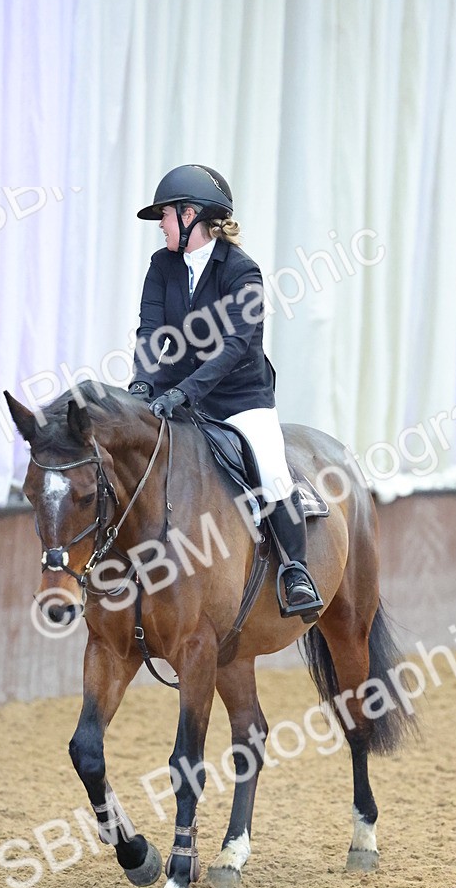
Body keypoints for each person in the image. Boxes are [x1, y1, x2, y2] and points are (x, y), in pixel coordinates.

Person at [129, 163, 322, 619]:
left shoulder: (242, 271)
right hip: (175, 390)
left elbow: (235, 347)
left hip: (239, 397)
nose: (161, 224)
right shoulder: (162, 265)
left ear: (191, 215)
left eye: (166, 215)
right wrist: (141, 383)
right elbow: (149, 330)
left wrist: (184, 394)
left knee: (273, 471)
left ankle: (296, 570)